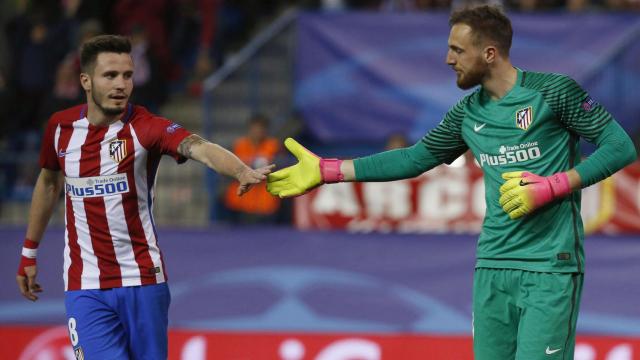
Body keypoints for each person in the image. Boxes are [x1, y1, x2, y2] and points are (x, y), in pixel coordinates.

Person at [266, 5, 637, 359]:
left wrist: (552, 186)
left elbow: (620, 147)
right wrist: (328, 171)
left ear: (490, 53)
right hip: (492, 264)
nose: (448, 59)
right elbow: (413, 159)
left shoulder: (554, 93)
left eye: (457, 50)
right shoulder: (466, 113)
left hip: (550, 266)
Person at [15, 35, 272, 359]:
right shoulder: (60, 127)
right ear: (86, 80)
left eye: (127, 75)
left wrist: (240, 171)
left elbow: (199, 147)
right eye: (110, 75)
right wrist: (29, 253)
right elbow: (49, 183)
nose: (121, 84)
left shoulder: (145, 127)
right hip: (85, 284)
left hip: (142, 280)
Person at [224, 114, 281, 224]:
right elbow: (229, 169)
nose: (258, 132)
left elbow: (279, 167)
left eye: (261, 128)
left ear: (266, 130)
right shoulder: (239, 145)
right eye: (255, 128)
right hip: (240, 203)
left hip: (265, 204)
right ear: (249, 129)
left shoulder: (273, 146)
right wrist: (252, 164)